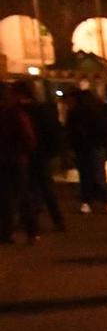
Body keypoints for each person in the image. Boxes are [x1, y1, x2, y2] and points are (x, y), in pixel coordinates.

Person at [18, 82, 64, 233]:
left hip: (29, 153)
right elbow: (54, 131)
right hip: (41, 153)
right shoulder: (42, 109)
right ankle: (56, 219)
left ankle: (30, 220)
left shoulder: (21, 111)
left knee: (29, 188)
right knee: (44, 188)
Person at [0, 85, 36, 243]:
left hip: (12, 158)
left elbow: (28, 138)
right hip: (15, 158)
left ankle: (19, 231)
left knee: (13, 195)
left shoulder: (13, 114)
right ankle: (27, 231)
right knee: (15, 196)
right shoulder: (16, 113)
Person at [67, 88, 107, 215]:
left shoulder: (76, 114)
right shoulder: (96, 112)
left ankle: (89, 201)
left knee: (87, 175)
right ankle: (105, 201)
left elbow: (70, 132)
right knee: (97, 175)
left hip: (86, 147)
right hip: (92, 147)